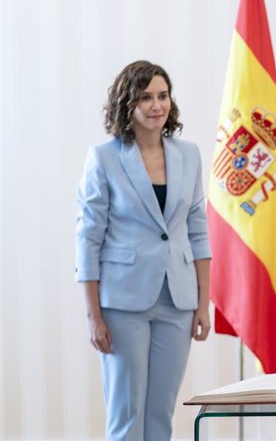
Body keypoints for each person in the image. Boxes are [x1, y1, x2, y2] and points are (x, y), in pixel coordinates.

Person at [75, 60, 212, 440]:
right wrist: (93, 315)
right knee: (126, 415)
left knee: (159, 415)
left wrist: (203, 304)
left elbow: (198, 231)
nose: (157, 105)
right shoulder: (103, 158)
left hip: (178, 301)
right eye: (146, 97)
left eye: (163, 95)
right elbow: (88, 238)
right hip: (122, 304)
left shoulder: (189, 154)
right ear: (127, 104)